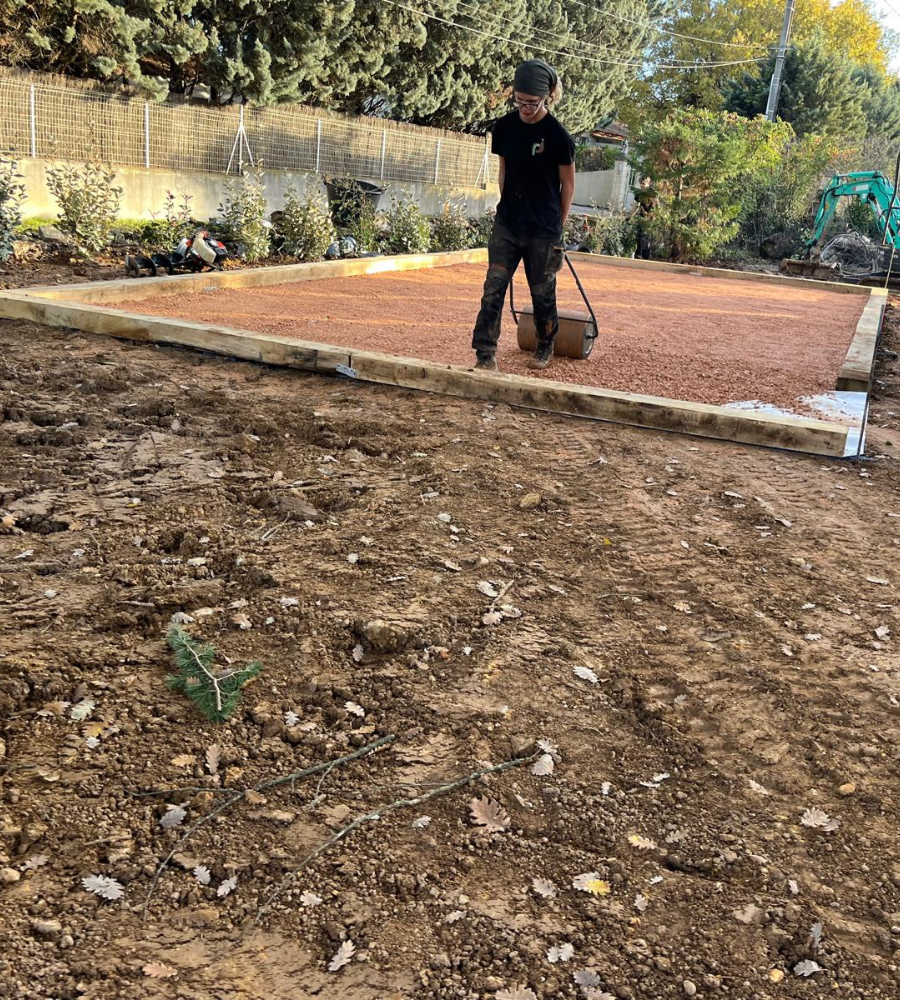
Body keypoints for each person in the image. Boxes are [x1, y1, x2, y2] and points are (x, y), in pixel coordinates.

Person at [471, 58, 576, 372]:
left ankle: (545, 344)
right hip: (508, 224)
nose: (525, 108)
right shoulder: (504, 128)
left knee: (542, 292)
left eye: (532, 102)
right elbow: (503, 170)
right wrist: (505, 206)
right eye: (519, 101)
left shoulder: (558, 136)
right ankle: (485, 353)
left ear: (546, 97)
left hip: (543, 229)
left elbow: (568, 185)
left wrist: (558, 227)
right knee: (493, 287)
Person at [630, 176, 657, 260]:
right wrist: (630, 216)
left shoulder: (652, 193)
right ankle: (639, 254)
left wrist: (650, 216)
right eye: (640, 183)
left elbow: (656, 205)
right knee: (639, 236)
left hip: (650, 219)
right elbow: (636, 206)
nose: (641, 185)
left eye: (643, 183)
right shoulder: (639, 193)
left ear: (648, 183)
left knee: (646, 237)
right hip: (642, 218)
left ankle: (646, 255)